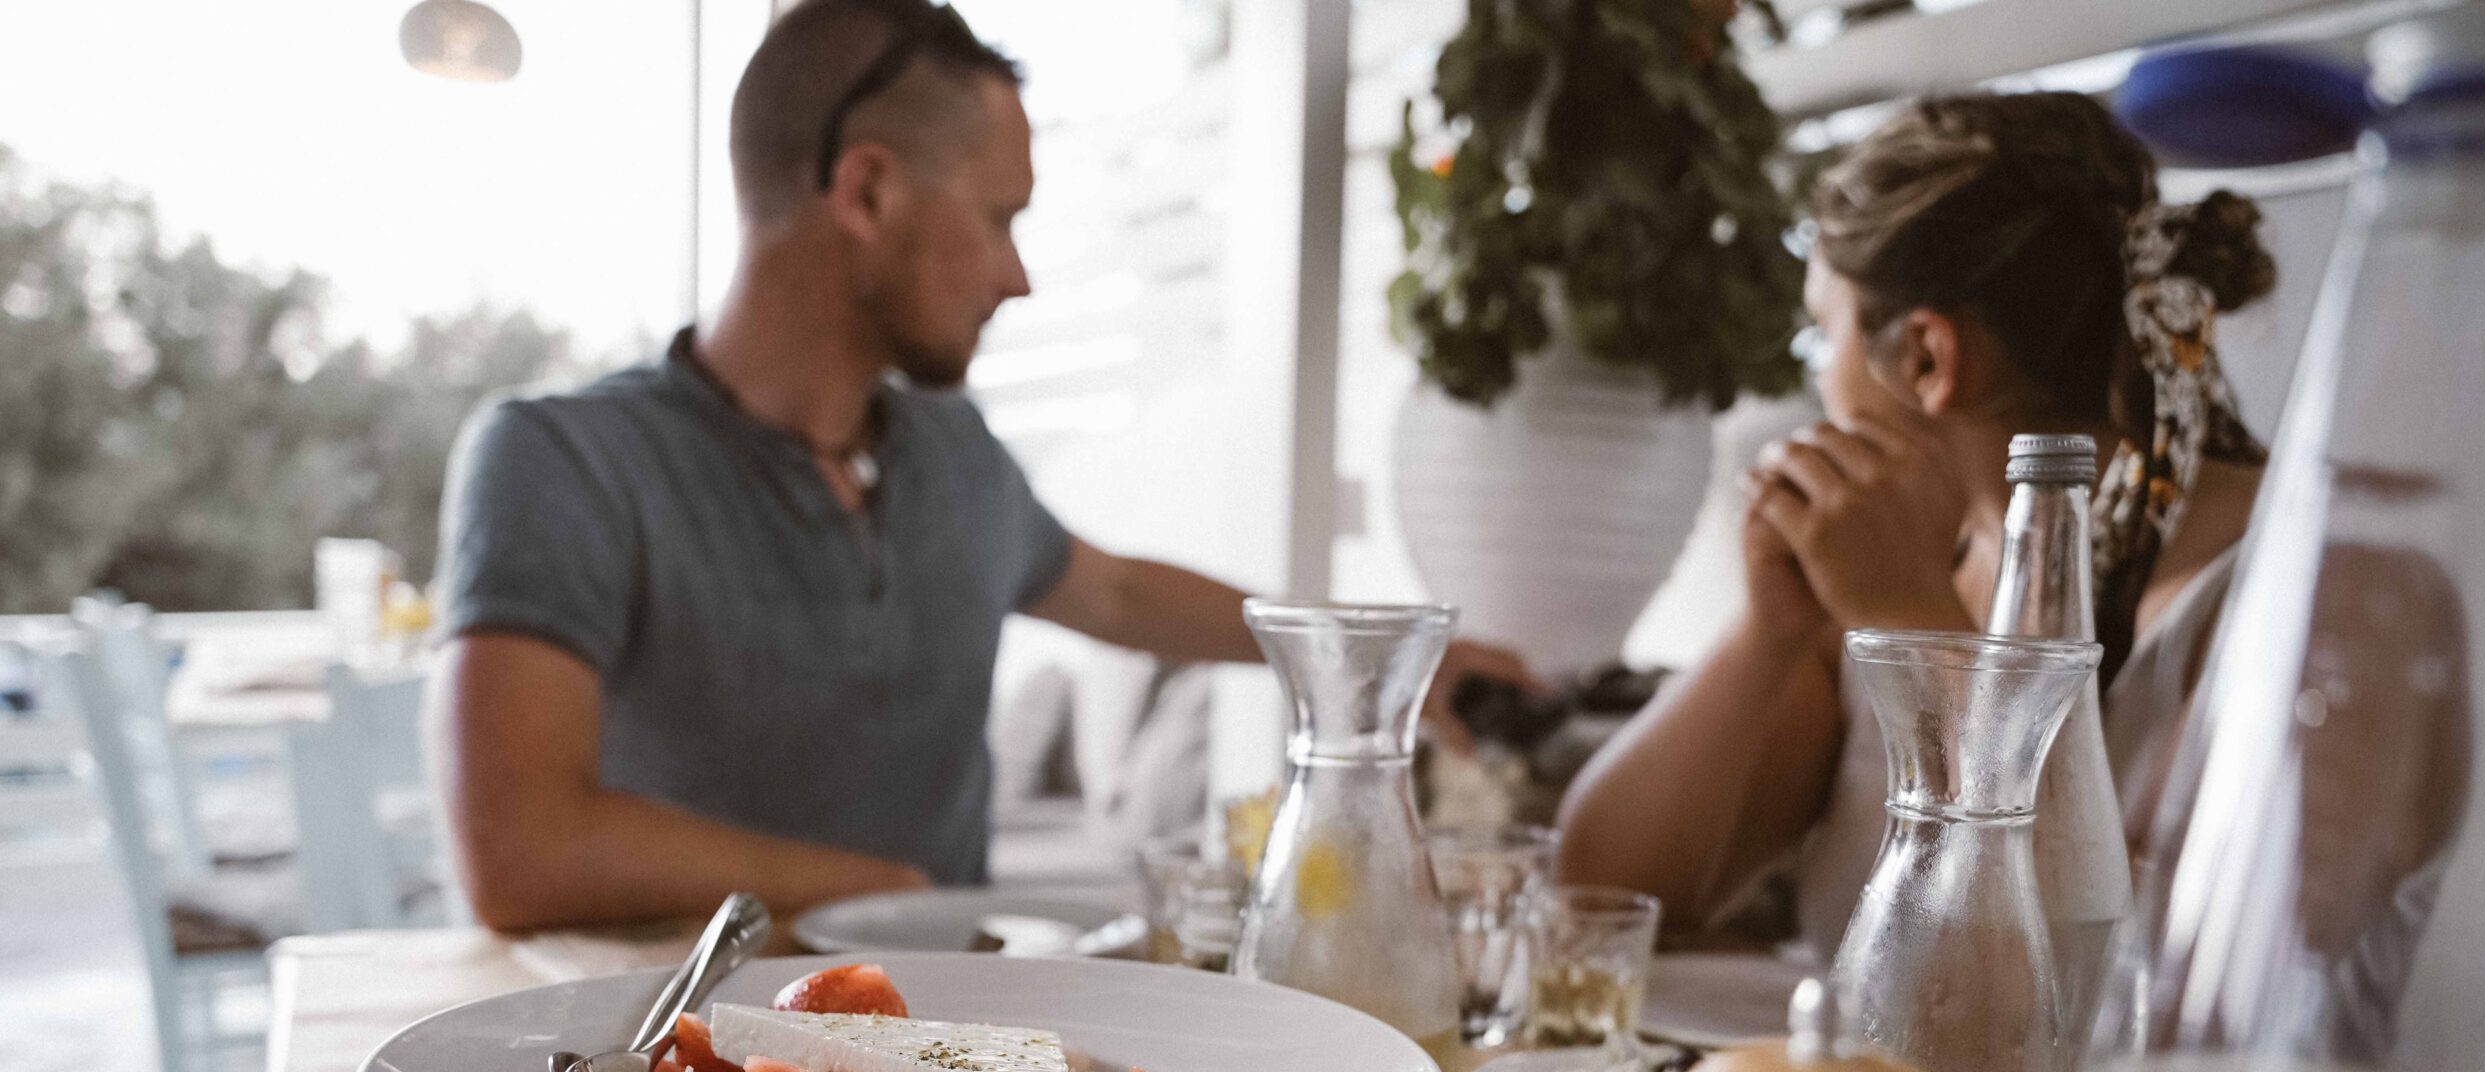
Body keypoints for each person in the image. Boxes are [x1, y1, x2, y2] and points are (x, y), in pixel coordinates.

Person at [429, 0, 1527, 931]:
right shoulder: (562, 459)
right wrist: (880, 892)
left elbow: (1113, 589)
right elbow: (519, 850)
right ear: (865, 193)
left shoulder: (952, 452)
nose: (1018, 276)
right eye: (1000, 219)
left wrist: (1374, 658)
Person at [1557, 92, 2278, 952]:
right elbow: (1599, 896)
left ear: (1928, 358)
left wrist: (1912, 623)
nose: (1818, 386)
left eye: (1823, 334)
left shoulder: (2260, 594)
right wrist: (1767, 631)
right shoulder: (1897, 569)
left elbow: (2097, 984)